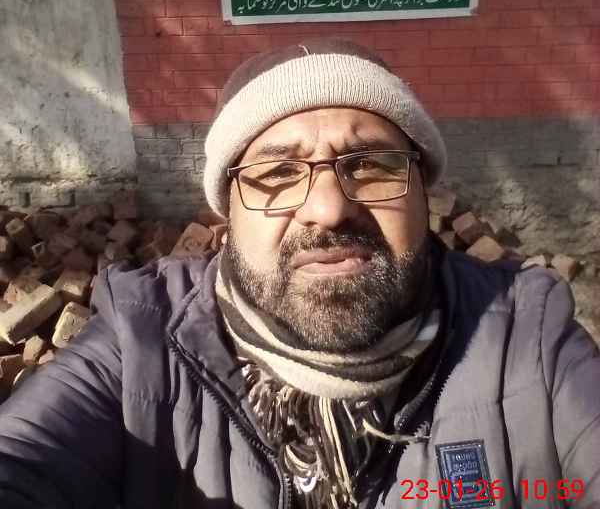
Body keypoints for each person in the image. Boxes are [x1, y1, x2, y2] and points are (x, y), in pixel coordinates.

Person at [0, 39, 599, 509]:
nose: (329, 208)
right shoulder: (142, 345)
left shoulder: (526, 337)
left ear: (423, 193)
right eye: (277, 174)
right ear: (228, 213)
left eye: (370, 165)